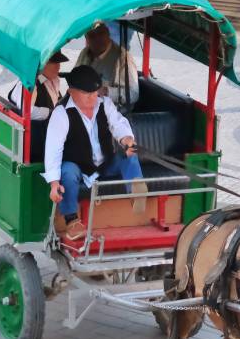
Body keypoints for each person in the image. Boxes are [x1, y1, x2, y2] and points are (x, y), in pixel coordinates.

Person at [43, 65, 141, 241]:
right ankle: (71, 221)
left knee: (130, 158)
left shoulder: (105, 104)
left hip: (104, 164)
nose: (93, 98)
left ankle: (137, 192)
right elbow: (53, 149)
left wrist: (126, 139)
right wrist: (53, 183)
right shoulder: (61, 113)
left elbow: (118, 123)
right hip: (78, 167)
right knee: (67, 171)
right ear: (72, 92)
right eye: (87, 94)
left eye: (95, 93)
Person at [75, 21, 140, 111]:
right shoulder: (85, 53)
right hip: (85, 107)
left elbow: (133, 94)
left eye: (101, 34)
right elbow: (75, 76)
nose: (97, 39)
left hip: (111, 113)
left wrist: (106, 91)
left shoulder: (122, 58)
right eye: (92, 36)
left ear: (108, 33)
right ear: (86, 38)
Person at [8, 51, 66, 120]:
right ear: (42, 64)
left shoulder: (51, 80)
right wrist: (51, 113)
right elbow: (26, 112)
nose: (59, 66)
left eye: (59, 62)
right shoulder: (29, 84)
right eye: (55, 63)